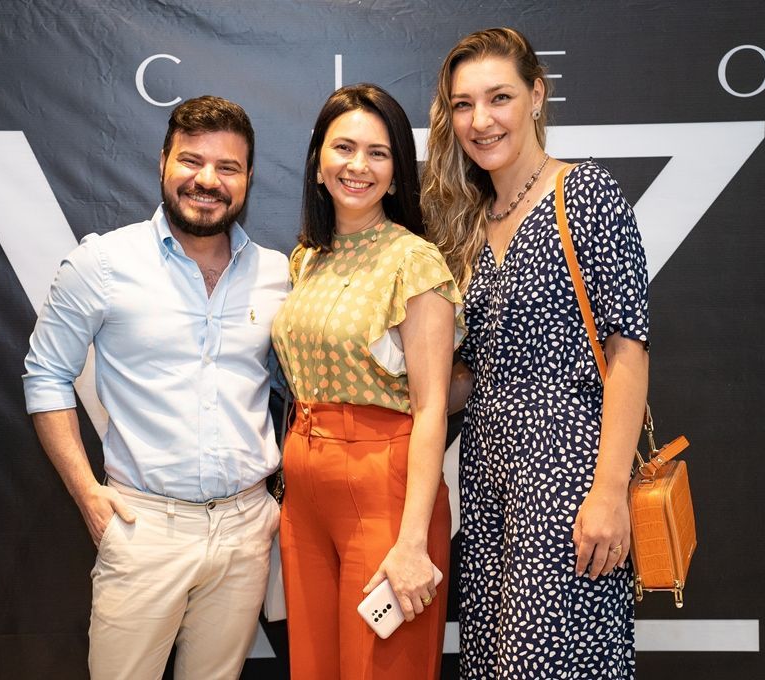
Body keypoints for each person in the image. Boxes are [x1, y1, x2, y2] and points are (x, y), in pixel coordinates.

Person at [22, 95, 289, 680]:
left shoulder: (278, 274)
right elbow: (45, 376)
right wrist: (87, 495)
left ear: (248, 179)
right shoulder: (102, 263)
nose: (207, 180)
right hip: (144, 528)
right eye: (191, 160)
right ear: (163, 161)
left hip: (247, 530)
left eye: (227, 167)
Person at [422, 28, 649, 679]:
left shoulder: (586, 194)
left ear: (537, 96)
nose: (481, 120)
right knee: (494, 659)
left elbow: (628, 350)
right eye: (463, 104)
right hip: (487, 476)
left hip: (568, 471)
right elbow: (473, 374)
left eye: (499, 97)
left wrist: (609, 492)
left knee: (549, 660)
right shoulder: (467, 223)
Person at [271, 83, 464, 679]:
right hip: (303, 487)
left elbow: (431, 408)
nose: (358, 166)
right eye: (344, 148)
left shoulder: (415, 262)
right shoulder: (308, 258)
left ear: (398, 171)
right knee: (314, 667)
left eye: (378, 153)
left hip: (385, 487)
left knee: (380, 667)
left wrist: (412, 542)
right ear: (318, 162)